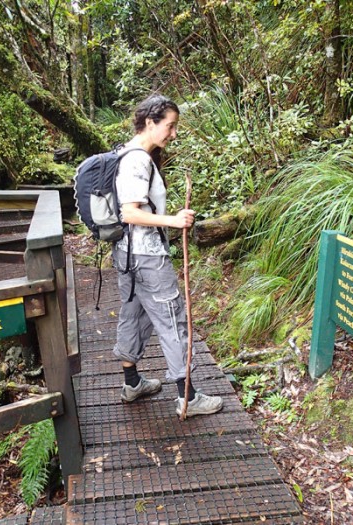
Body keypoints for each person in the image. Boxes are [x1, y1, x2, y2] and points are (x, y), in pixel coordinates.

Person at [112, 94, 224, 417]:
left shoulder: (126, 153)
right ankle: (186, 396)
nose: (173, 133)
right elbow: (130, 213)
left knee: (134, 314)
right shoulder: (137, 160)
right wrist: (172, 221)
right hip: (147, 258)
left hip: (126, 255)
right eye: (170, 126)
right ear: (150, 122)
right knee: (173, 318)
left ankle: (131, 383)